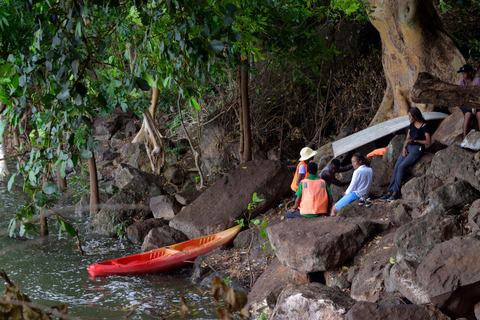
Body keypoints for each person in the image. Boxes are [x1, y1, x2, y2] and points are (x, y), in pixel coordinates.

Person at [379, 107, 431, 201]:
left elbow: (428, 141)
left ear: (415, 116)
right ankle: (389, 192)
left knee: (401, 166)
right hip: (408, 148)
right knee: (396, 166)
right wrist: (404, 148)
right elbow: (407, 139)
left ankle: (396, 192)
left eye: (410, 116)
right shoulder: (411, 125)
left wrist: (415, 140)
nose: (409, 118)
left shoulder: (424, 125)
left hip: (417, 149)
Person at [457, 64, 480, 138]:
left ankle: (479, 136)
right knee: (468, 114)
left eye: (464, 73)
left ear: (470, 72)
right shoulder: (461, 82)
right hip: (465, 103)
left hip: (476, 102)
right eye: (462, 74)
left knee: (479, 115)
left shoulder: (477, 81)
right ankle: (464, 138)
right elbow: (459, 95)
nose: (463, 75)